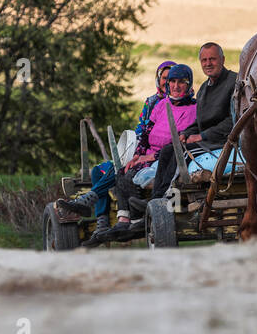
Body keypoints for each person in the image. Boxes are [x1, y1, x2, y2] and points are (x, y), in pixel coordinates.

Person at [56, 60, 175, 245]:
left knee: (118, 170)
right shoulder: (152, 102)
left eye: (172, 79)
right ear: (158, 80)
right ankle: (102, 222)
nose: (168, 83)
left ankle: (88, 201)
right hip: (139, 150)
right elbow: (141, 130)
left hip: (155, 156)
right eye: (164, 78)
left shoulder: (176, 104)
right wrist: (133, 150)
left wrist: (142, 155)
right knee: (98, 170)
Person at [99, 62, 199, 243]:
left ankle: (140, 218)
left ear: (189, 83)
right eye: (172, 81)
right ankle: (125, 218)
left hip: (167, 157)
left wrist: (149, 157)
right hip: (148, 154)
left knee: (129, 177)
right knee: (123, 172)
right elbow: (145, 133)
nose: (176, 86)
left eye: (182, 82)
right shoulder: (161, 104)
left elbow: (178, 144)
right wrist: (137, 155)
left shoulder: (193, 109)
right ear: (167, 84)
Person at [150, 42, 237, 190]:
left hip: (222, 142)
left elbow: (234, 120)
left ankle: (166, 198)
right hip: (206, 141)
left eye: (212, 59)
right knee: (168, 150)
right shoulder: (203, 88)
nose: (208, 63)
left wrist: (202, 135)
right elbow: (200, 121)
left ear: (223, 59)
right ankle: (156, 198)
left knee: (181, 153)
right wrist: (186, 133)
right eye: (204, 60)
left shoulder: (234, 82)